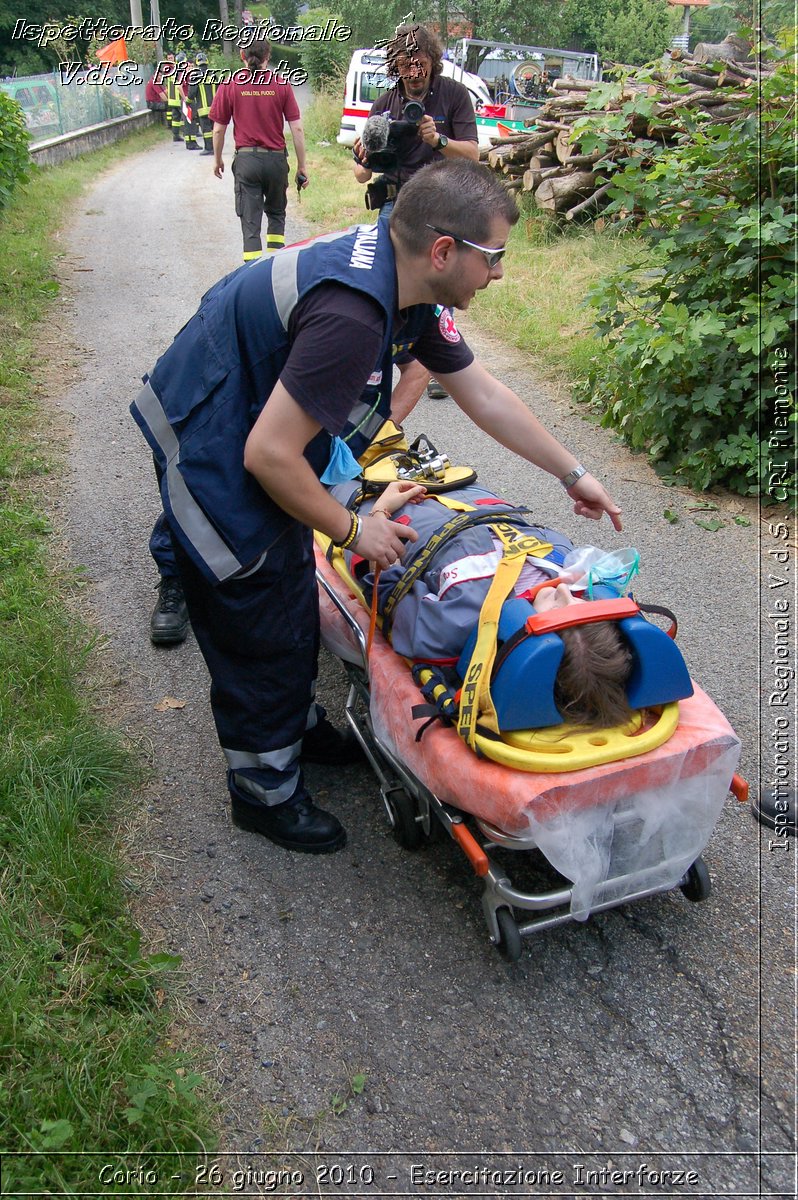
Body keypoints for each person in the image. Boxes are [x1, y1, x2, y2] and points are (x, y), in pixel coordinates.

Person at [130, 159, 622, 857]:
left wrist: (574, 473)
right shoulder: (354, 313)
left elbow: (482, 393)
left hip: (255, 419)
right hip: (214, 434)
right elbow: (267, 456)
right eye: (496, 257)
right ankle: (264, 794)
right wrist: (356, 528)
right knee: (256, 609)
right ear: (444, 251)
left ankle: (294, 727)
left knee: (290, 593)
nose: (501, 274)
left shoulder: (409, 285)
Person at [333, 479, 634, 731]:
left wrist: (380, 512)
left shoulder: (453, 627)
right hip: (464, 490)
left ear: (524, 645)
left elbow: (379, 579)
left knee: (329, 459)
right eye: (581, 605)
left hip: (379, 505)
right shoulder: (576, 574)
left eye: (559, 608)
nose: (567, 592)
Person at [352, 23, 480, 416]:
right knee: (385, 280)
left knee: (443, 281)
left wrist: (437, 140)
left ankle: (440, 366)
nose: (412, 67)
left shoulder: (454, 95)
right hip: (395, 203)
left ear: (431, 58)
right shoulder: (384, 105)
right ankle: (381, 361)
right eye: (405, 60)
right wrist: (362, 155)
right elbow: (360, 174)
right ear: (396, 64)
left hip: (443, 205)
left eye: (419, 58)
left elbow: (473, 154)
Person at [209, 40, 309, 261]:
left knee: (250, 220)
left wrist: (217, 160)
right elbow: (297, 128)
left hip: (247, 161)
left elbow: (218, 131)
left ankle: (252, 274)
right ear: (268, 56)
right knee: (276, 215)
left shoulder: (230, 85)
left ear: (242, 56)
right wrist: (302, 165)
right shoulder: (281, 84)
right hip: (275, 161)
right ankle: (274, 268)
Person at [188, 51, 217, 155]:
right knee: (214, 129)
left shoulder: (195, 75)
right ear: (207, 62)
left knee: (206, 130)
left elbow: (191, 93)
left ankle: (209, 149)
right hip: (215, 108)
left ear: (197, 63)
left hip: (203, 109)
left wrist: (188, 101)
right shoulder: (213, 74)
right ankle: (216, 148)